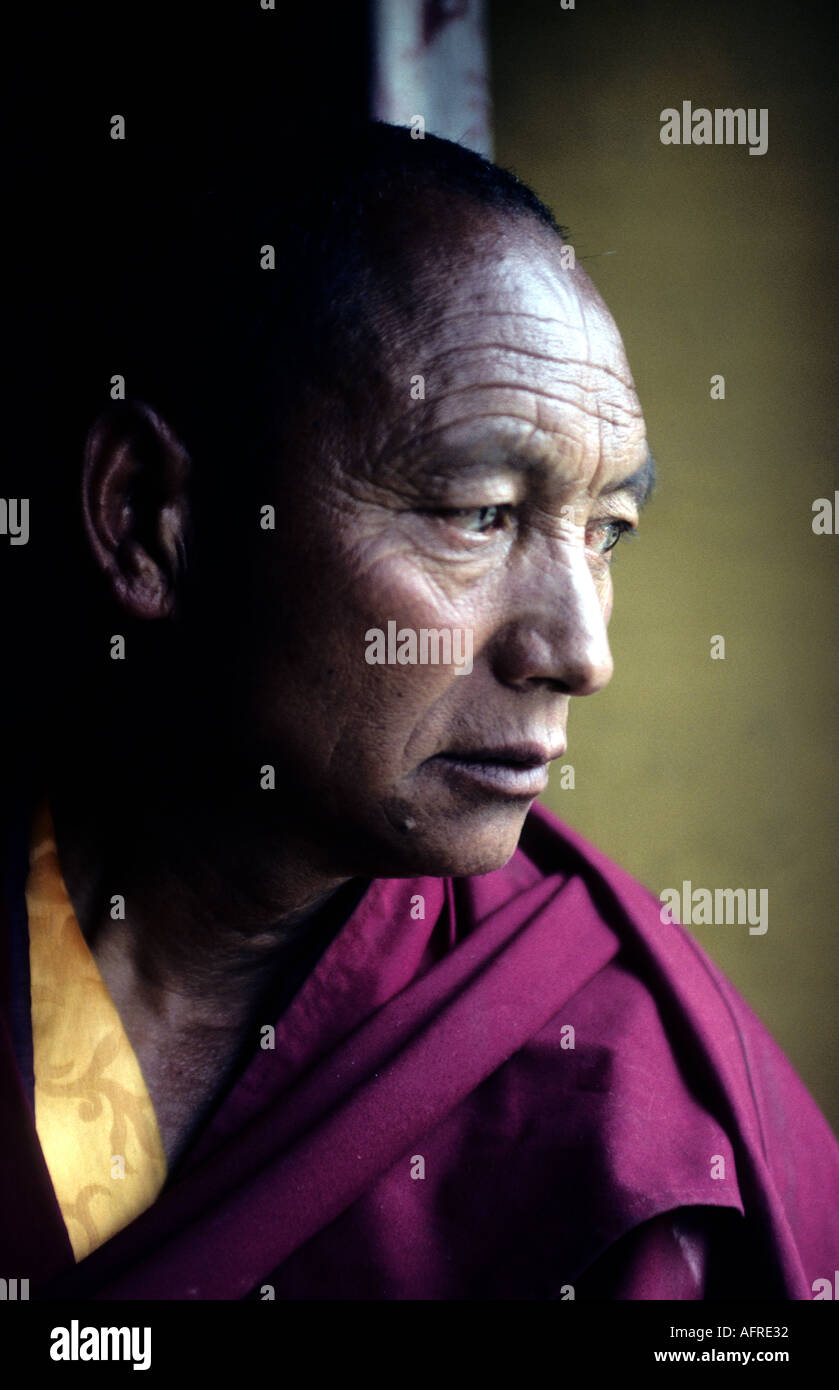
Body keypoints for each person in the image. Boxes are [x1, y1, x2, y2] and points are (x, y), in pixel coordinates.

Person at [1, 120, 837, 1300]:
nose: (579, 652)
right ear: (148, 519)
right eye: (478, 512)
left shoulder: (612, 1073)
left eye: (604, 533)